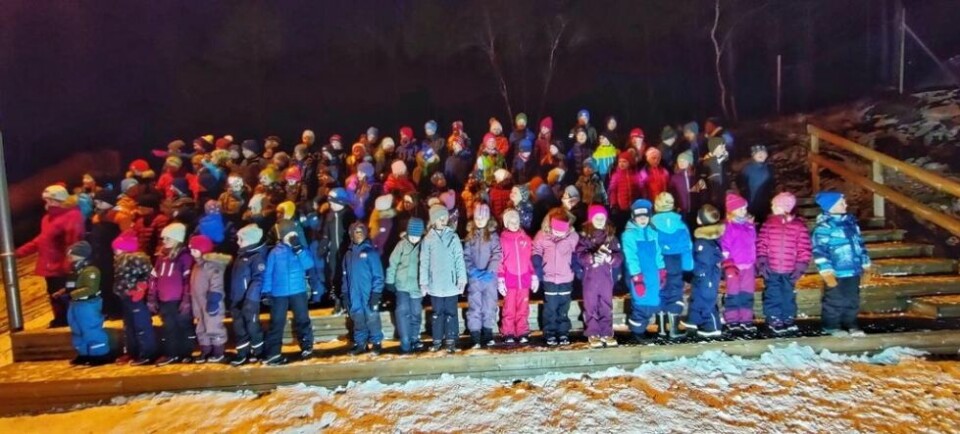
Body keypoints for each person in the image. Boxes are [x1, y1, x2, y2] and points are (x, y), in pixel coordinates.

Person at [16, 184, 85, 328]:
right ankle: (60, 319)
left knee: (65, 294)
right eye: (45, 200)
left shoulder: (71, 216)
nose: (46, 204)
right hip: (50, 265)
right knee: (54, 294)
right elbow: (42, 239)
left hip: (62, 266)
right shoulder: (47, 218)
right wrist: (19, 252)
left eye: (49, 200)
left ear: (59, 200)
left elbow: (73, 241)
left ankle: (70, 320)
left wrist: (70, 264)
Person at [812, 191, 871, 337]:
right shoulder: (824, 227)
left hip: (853, 269)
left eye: (844, 202)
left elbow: (859, 245)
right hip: (837, 271)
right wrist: (826, 271)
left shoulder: (851, 223)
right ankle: (831, 326)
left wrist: (865, 264)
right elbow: (819, 251)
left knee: (852, 299)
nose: (846, 205)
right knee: (835, 300)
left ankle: (850, 323)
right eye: (841, 203)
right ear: (831, 206)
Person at [261, 221, 316, 365]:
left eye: (295, 235)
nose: (293, 238)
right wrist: (266, 292)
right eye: (289, 235)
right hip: (279, 292)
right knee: (277, 322)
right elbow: (268, 273)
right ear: (283, 236)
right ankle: (273, 353)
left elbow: (309, 264)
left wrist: (299, 250)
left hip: (298, 290)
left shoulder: (300, 250)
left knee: (302, 319)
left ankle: (307, 346)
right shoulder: (274, 252)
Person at [756, 192, 811, 335]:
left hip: (789, 269)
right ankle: (774, 318)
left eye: (775, 205)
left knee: (788, 294)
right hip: (772, 268)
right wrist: (762, 261)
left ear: (784, 207)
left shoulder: (799, 226)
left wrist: (800, 266)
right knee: (773, 293)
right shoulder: (769, 224)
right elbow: (761, 243)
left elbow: (804, 248)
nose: (772, 207)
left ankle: (788, 317)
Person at [419, 205, 468, 353]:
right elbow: (424, 261)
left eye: (445, 218)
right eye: (439, 218)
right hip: (435, 285)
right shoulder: (428, 239)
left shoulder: (453, 237)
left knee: (451, 312)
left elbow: (459, 259)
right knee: (437, 313)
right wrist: (424, 282)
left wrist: (461, 279)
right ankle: (437, 339)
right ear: (433, 220)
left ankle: (451, 339)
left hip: (451, 284)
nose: (443, 220)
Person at [148, 222, 196, 366]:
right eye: (163, 239)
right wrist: (152, 297)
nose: (164, 241)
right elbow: (153, 277)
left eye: (168, 238)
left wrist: (186, 299)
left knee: (184, 326)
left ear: (177, 239)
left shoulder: (184, 257)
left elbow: (188, 280)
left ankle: (186, 352)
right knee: (169, 327)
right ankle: (172, 353)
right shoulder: (161, 257)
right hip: (165, 300)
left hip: (179, 300)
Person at [575, 205, 623, 348]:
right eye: (597, 218)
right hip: (590, 277)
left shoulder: (611, 237)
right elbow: (579, 255)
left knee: (606, 305)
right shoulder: (584, 237)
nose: (600, 220)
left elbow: (619, 256)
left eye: (603, 218)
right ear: (591, 219)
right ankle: (593, 332)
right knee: (591, 305)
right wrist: (592, 258)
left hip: (606, 278)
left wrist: (610, 258)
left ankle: (607, 332)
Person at [532, 209, 580, 346]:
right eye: (556, 230)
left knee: (564, 307)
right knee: (551, 307)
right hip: (549, 278)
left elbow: (577, 252)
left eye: (562, 231)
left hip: (566, 277)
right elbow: (536, 251)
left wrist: (576, 266)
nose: (559, 233)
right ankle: (550, 332)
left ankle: (563, 332)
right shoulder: (542, 236)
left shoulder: (572, 237)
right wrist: (538, 268)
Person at [621, 199, 665, 343]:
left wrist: (661, 270)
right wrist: (636, 277)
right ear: (633, 217)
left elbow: (658, 252)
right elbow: (630, 256)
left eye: (645, 216)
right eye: (639, 217)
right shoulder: (629, 234)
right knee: (640, 301)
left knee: (652, 300)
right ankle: (637, 332)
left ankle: (643, 328)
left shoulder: (653, 232)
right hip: (638, 274)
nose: (642, 220)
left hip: (652, 273)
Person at [651, 192, 693, 340]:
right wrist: (688, 266)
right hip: (676, 263)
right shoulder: (681, 225)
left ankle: (661, 328)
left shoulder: (651, 224)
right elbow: (686, 247)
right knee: (675, 292)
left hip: (658, 263)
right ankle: (674, 329)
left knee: (660, 291)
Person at [112, 230, 157, 365]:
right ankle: (133, 352)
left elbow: (149, 276)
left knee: (141, 325)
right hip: (125, 296)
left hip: (136, 297)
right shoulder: (120, 261)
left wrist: (140, 289)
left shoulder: (136, 259)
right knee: (129, 326)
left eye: (116, 249)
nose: (114, 252)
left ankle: (147, 353)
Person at [63, 241, 111, 366]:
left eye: (71, 253)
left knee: (91, 329)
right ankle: (83, 353)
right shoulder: (75, 270)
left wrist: (71, 294)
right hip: (75, 304)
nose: (69, 256)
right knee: (77, 329)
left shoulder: (90, 270)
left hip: (88, 304)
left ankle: (100, 354)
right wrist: (64, 292)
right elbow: (72, 285)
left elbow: (90, 288)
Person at [342, 222, 386, 356]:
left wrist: (376, 294)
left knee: (372, 317)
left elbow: (378, 275)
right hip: (354, 294)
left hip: (368, 293)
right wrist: (344, 294)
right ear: (351, 235)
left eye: (361, 232)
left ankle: (376, 342)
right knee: (358, 318)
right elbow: (344, 276)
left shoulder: (370, 252)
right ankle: (361, 343)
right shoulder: (348, 255)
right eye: (356, 232)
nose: (359, 234)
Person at [682, 205, 725, 338]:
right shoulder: (706, 239)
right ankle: (694, 319)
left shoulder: (704, 242)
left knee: (707, 300)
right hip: (703, 275)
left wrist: (698, 271)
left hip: (707, 276)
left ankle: (712, 325)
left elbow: (704, 260)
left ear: (701, 220)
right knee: (698, 296)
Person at [463, 204, 502, 349]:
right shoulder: (470, 236)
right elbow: (466, 256)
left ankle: (487, 333)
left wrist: (490, 270)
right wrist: (472, 270)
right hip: (475, 278)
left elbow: (497, 254)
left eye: (482, 217)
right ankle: (475, 336)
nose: (480, 220)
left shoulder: (492, 236)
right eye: (477, 217)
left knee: (489, 306)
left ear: (487, 218)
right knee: (475, 307)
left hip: (489, 278)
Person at [187, 235, 231, 363]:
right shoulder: (197, 265)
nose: (191, 252)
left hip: (211, 304)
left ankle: (218, 351)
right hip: (199, 303)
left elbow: (216, 284)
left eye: (194, 250)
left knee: (214, 327)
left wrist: (214, 300)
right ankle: (206, 350)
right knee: (201, 328)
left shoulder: (212, 265)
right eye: (191, 249)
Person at [386, 218, 426, 354]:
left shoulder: (424, 246)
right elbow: (393, 263)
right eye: (412, 236)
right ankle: (405, 341)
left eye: (417, 236)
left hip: (417, 286)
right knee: (403, 311)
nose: (414, 239)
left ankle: (415, 338)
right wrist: (390, 281)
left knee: (416, 312)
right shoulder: (401, 245)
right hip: (402, 285)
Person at [229, 224, 267, 366]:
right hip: (237, 299)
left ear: (250, 240)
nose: (238, 242)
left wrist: (251, 298)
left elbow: (258, 279)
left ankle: (259, 351)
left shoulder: (256, 257)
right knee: (239, 326)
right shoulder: (241, 256)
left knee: (252, 325)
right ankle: (242, 353)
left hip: (249, 300)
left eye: (241, 239)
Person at [720, 193, 758, 333]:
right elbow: (725, 247)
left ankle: (746, 319)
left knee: (747, 293)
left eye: (745, 208)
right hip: (734, 267)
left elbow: (753, 243)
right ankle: (732, 319)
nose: (744, 211)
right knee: (733, 293)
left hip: (748, 265)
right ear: (732, 210)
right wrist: (728, 264)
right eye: (740, 209)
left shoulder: (748, 225)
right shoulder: (728, 227)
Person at [498, 209, 536, 345]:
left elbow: (529, 259)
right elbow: (500, 260)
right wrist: (500, 278)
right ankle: (508, 331)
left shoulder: (525, 239)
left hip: (524, 279)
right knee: (509, 307)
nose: (514, 224)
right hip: (510, 279)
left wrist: (533, 275)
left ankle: (522, 331)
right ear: (506, 223)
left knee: (523, 307)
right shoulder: (502, 240)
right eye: (511, 222)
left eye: (516, 221)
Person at [739, 144, 776, 224]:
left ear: (767, 155)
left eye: (763, 152)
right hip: (750, 204)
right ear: (753, 155)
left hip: (765, 204)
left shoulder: (770, 168)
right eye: (757, 153)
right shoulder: (747, 169)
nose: (761, 154)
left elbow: (774, 185)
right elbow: (741, 185)